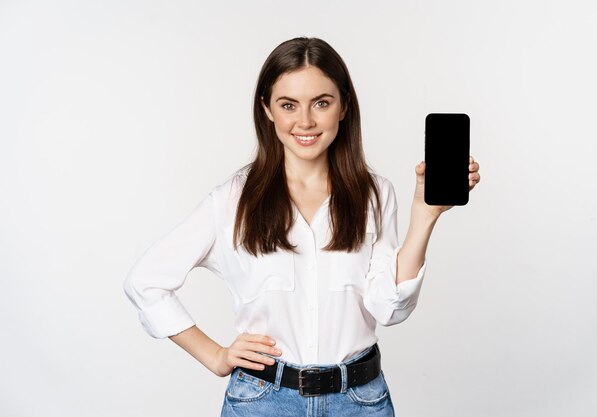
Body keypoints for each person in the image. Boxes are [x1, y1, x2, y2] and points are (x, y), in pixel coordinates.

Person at [123, 36, 481, 416]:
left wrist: (424, 216)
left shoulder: (375, 194)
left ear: (343, 106)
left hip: (359, 401)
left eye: (321, 103)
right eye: (288, 105)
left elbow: (388, 309)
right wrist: (215, 356)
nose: (305, 121)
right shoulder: (231, 200)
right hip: (261, 402)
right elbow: (145, 282)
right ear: (267, 109)